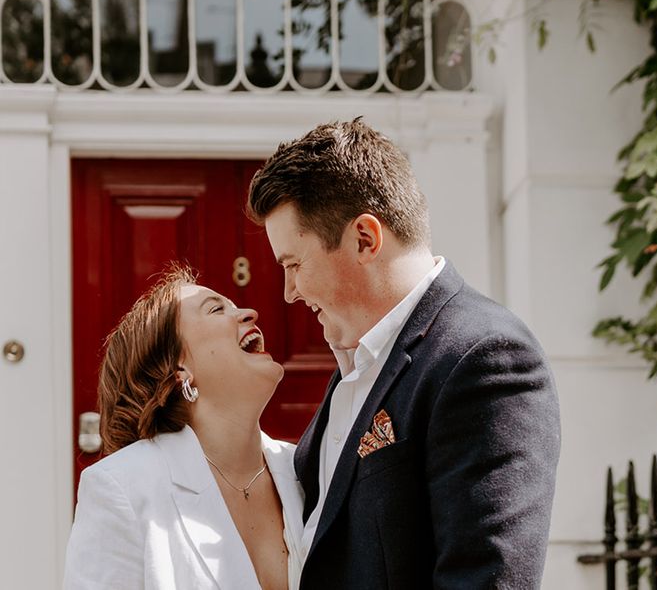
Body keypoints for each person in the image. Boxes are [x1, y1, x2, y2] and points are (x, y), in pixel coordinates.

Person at [246, 118, 561, 589]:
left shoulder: (486, 359)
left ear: (365, 239)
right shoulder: (359, 362)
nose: (290, 291)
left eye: (294, 264)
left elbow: (485, 580)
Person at [63, 267, 304, 590]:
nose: (249, 312)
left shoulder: (305, 470)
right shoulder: (122, 487)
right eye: (217, 309)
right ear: (179, 369)